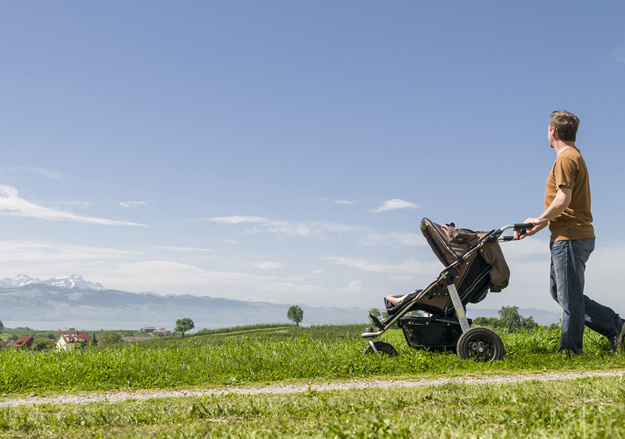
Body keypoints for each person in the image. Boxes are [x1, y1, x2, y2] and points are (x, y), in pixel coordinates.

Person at [516, 110, 625, 353]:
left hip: (570, 237)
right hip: (568, 234)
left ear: (553, 131)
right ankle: (616, 327)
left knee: (570, 300)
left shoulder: (566, 159)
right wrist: (536, 227)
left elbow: (563, 201)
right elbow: (563, 207)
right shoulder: (573, 157)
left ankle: (569, 351)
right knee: (562, 293)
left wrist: (538, 218)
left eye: (547, 129)